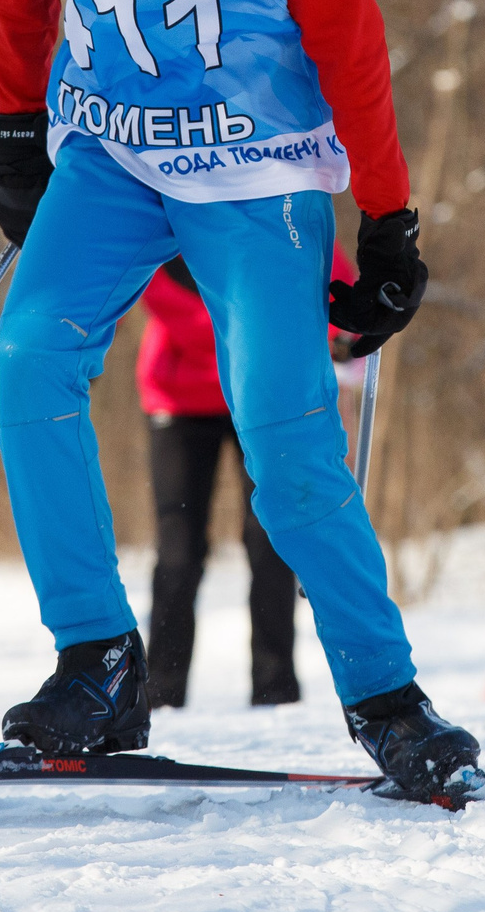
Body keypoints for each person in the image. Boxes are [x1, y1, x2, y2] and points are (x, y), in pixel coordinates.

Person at [0, 0, 480, 799]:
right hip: (109, 156)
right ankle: (98, 661)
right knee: (27, 363)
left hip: (253, 175)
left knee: (281, 437)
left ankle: (387, 700)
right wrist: (13, 126)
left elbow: (349, 38)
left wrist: (390, 212)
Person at [136, 243, 351, 710]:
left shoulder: (263, 191)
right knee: (178, 547)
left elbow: (327, 266)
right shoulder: (165, 201)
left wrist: (336, 329)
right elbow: (128, 277)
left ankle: (275, 688)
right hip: (179, 398)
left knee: (270, 538)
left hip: (262, 393)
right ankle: (159, 693)